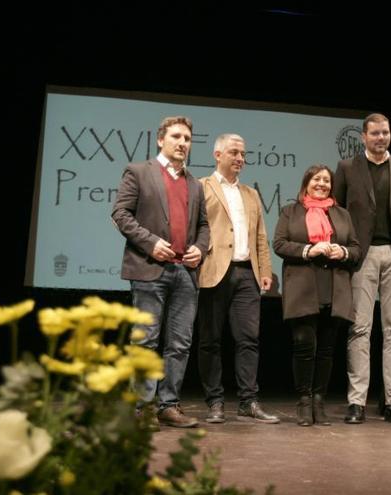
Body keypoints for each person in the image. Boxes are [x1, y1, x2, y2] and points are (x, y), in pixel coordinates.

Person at [111, 116, 209, 429]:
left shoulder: (194, 183)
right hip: (149, 268)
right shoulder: (139, 172)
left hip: (185, 273)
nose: (183, 143)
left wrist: (200, 248)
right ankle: (141, 409)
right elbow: (120, 214)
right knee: (146, 341)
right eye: (177, 137)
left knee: (179, 343)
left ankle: (168, 405)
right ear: (160, 140)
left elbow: (204, 226)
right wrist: (151, 243)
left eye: (188, 139)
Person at [333, 113, 391, 425]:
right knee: (359, 328)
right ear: (363, 136)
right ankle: (356, 402)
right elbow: (338, 212)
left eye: (385, 133)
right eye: (375, 133)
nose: (381, 138)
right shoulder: (346, 167)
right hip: (362, 255)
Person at [197, 133, 279, 424]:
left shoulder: (251, 193)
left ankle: (248, 400)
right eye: (234, 152)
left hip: (247, 273)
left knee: (248, 339)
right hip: (214, 270)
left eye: (243, 154)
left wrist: (265, 271)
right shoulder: (201, 187)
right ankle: (215, 402)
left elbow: (261, 236)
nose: (240, 158)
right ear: (217, 155)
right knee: (210, 339)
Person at [273, 165, 360, 426]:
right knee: (304, 346)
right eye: (316, 179)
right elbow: (279, 244)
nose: (322, 184)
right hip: (303, 288)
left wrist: (342, 252)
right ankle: (304, 401)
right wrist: (309, 250)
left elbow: (356, 249)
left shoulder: (342, 215)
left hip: (335, 289)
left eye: (326, 180)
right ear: (306, 183)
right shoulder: (291, 211)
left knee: (326, 350)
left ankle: (319, 401)